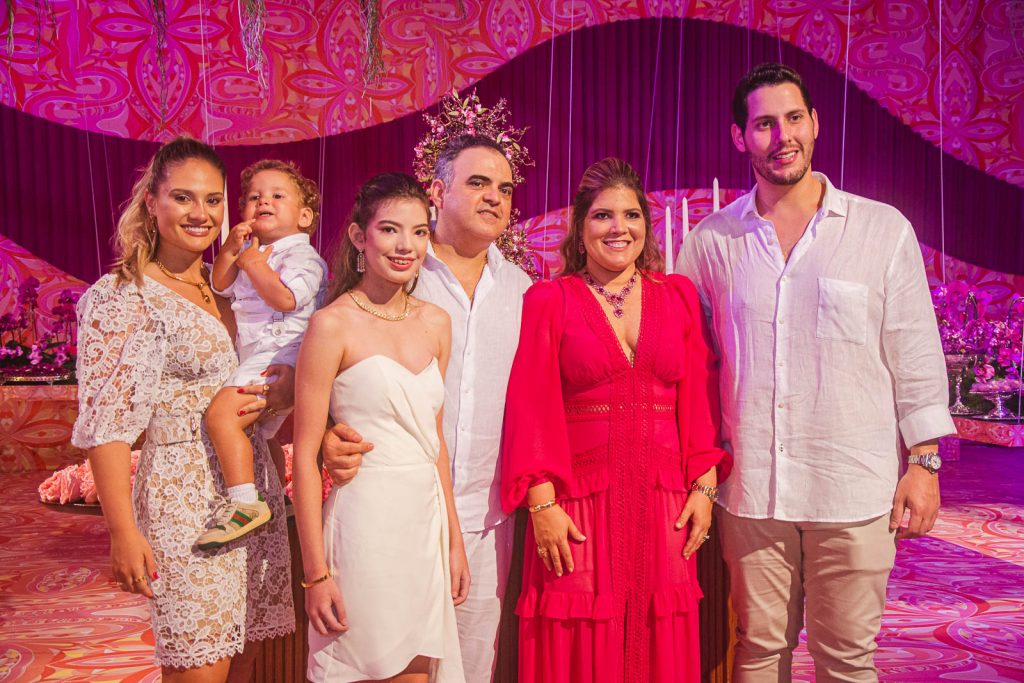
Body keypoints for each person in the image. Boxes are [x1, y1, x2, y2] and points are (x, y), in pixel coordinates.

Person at [677, 63, 956, 682]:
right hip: (752, 490)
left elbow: (914, 351)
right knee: (756, 650)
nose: (783, 136)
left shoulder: (880, 230)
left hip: (852, 487)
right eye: (764, 124)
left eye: (794, 118)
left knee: (846, 659)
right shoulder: (712, 241)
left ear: (816, 124)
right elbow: (689, 359)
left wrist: (925, 462)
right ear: (739, 137)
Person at [322, 100, 534, 682]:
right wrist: (326, 438)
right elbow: (325, 370)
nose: (495, 197)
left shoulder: (523, 290)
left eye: (505, 188)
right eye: (478, 183)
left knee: (471, 669)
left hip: (485, 518)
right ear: (437, 192)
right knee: (382, 665)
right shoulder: (395, 270)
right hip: (394, 507)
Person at [71, 137, 294, 682]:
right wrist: (122, 533)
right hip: (183, 501)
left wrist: (284, 392)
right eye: (183, 198)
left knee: (245, 660)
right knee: (200, 667)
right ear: (152, 201)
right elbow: (107, 426)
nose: (201, 214)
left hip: (252, 491)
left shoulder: (234, 285)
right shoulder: (124, 296)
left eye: (213, 200)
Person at [500, 158, 731, 683]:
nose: (618, 228)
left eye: (631, 215)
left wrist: (704, 486)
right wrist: (542, 504)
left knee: (658, 636)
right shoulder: (549, 300)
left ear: (645, 225)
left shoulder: (677, 296)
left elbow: (700, 394)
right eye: (603, 216)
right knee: (577, 637)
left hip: (664, 501)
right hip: (577, 503)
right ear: (580, 229)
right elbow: (531, 404)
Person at [291, 173, 468, 683]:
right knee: (359, 669)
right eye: (390, 229)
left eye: (419, 231)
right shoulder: (331, 325)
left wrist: (454, 542)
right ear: (358, 237)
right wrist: (315, 574)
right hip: (362, 525)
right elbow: (305, 455)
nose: (405, 245)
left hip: (424, 526)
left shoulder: (437, 322)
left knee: (416, 672)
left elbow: (435, 443)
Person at [198, 160, 327, 550]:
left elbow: (286, 299)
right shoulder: (251, 252)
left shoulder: (301, 257)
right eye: (254, 197)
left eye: (277, 195)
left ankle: (243, 503)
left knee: (221, 417)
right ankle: (274, 496)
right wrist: (230, 252)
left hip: (281, 353)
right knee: (262, 436)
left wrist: (253, 263)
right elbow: (221, 285)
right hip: (258, 354)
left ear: (304, 217)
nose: (263, 202)